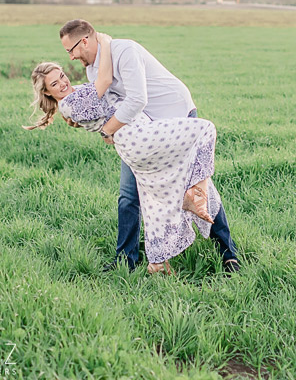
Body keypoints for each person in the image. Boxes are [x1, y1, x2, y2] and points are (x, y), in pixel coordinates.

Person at [26, 33, 219, 274]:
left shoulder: (77, 95)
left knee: (150, 197)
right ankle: (196, 193)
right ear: (47, 93)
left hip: (135, 139)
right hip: (139, 137)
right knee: (205, 129)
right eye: (54, 84)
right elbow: (105, 80)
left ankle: (157, 261)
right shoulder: (71, 103)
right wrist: (105, 42)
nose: (63, 83)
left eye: (62, 76)